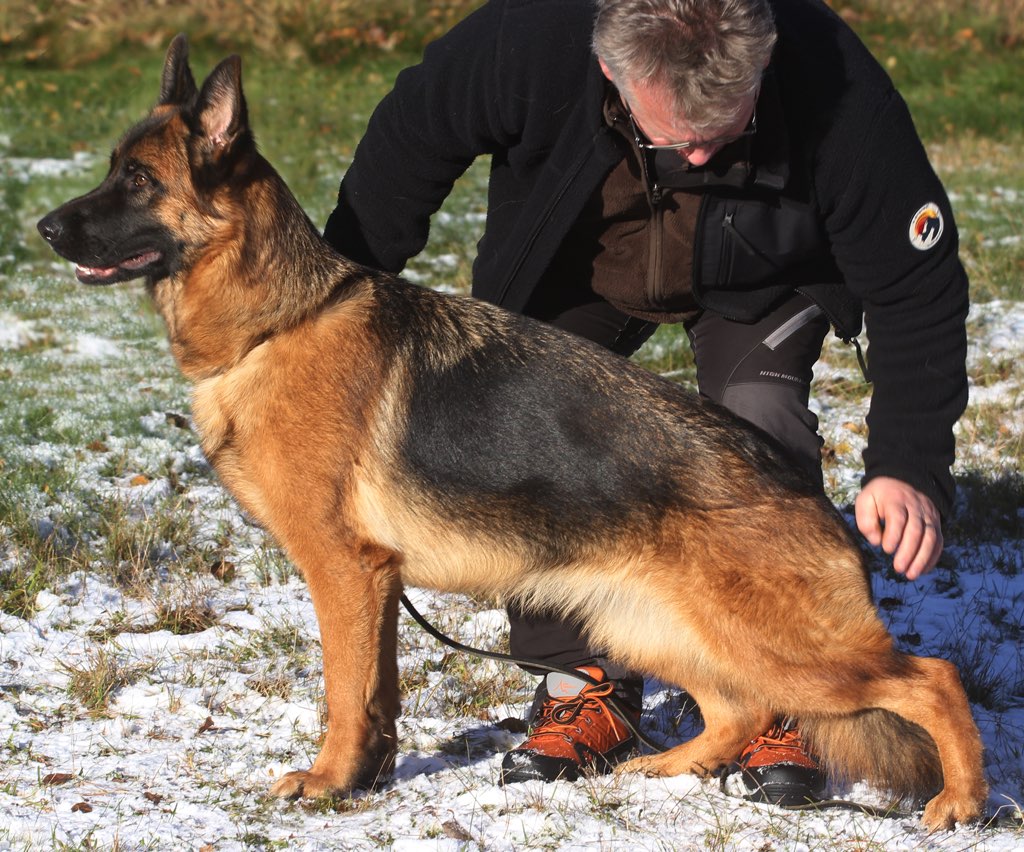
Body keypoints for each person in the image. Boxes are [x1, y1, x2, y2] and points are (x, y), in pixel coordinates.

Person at [323, 0, 969, 805]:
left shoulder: (834, 80)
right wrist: (329, 323)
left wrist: (907, 463)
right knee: (531, 442)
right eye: (675, 136)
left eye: (722, 132)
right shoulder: (530, 37)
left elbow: (920, 287)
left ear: (762, 68)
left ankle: (786, 699)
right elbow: (406, 148)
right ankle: (580, 683)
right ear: (609, 71)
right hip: (579, 272)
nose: (697, 154)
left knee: (757, 421)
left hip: (760, 284)